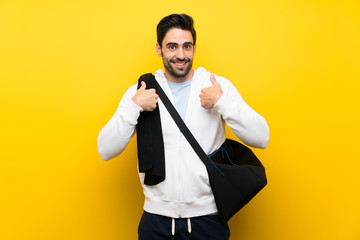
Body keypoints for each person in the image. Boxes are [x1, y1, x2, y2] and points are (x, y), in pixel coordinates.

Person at [98, 13, 269, 240]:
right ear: (159, 49)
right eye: (172, 47)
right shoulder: (141, 90)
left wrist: (222, 103)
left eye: (186, 46)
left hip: (208, 220)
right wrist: (133, 107)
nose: (180, 55)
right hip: (155, 220)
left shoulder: (216, 86)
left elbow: (261, 137)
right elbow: (105, 150)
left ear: (194, 49)